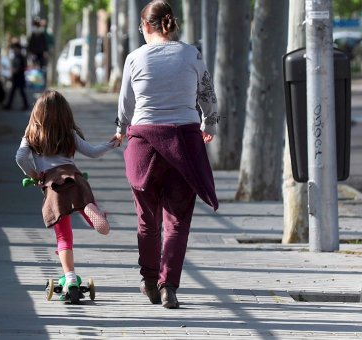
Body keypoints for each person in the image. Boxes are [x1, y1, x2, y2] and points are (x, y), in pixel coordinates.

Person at [113, 0, 219, 309]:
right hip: (184, 141)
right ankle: (168, 285)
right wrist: (208, 122)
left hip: (144, 144)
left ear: (146, 26)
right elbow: (208, 94)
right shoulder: (191, 54)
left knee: (148, 220)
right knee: (178, 220)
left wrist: (121, 130)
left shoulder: (134, 58)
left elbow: (126, 104)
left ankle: (148, 280)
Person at [16, 90, 118, 304]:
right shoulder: (69, 133)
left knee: (64, 237)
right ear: (65, 114)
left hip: (53, 186)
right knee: (84, 202)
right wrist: (112, 144)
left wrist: (34, 175)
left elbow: (20, 157)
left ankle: (70, 279)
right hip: (74, 178)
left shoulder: (32, 135)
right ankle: (96, 216)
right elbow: (92, 152)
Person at [3, 42, 29, 110]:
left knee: (21, 92)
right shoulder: (15, 57)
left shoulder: (22, 57)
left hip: (20, 77)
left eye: (16, 49)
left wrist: (17, 70)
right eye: (14, 49)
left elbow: (24, 67)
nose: (15, 50)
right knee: (13, 92)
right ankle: (9, 105)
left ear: (19, 49)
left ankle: (25, 105)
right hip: (15, 77)